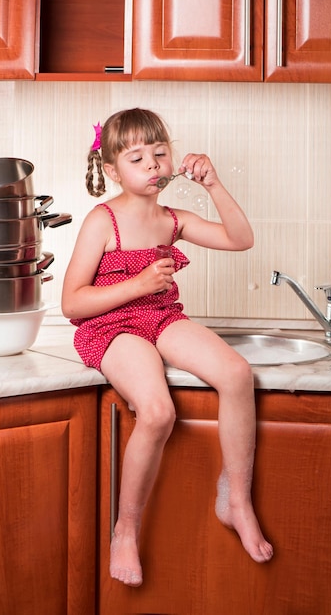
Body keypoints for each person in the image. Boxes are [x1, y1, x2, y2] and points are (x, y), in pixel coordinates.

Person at [61, 108, 273, 587]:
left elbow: (241, 240)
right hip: (110, 326)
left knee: (238, 374)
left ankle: (235, 499)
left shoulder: (173, 219)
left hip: (161, 317)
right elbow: (73, 304)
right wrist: (137, 284)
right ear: (113, 170)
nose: (154, 165)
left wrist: (214, 185)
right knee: (157, 412)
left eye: (160, 153)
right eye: (138, 158)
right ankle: (126, 528)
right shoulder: (103, 220)